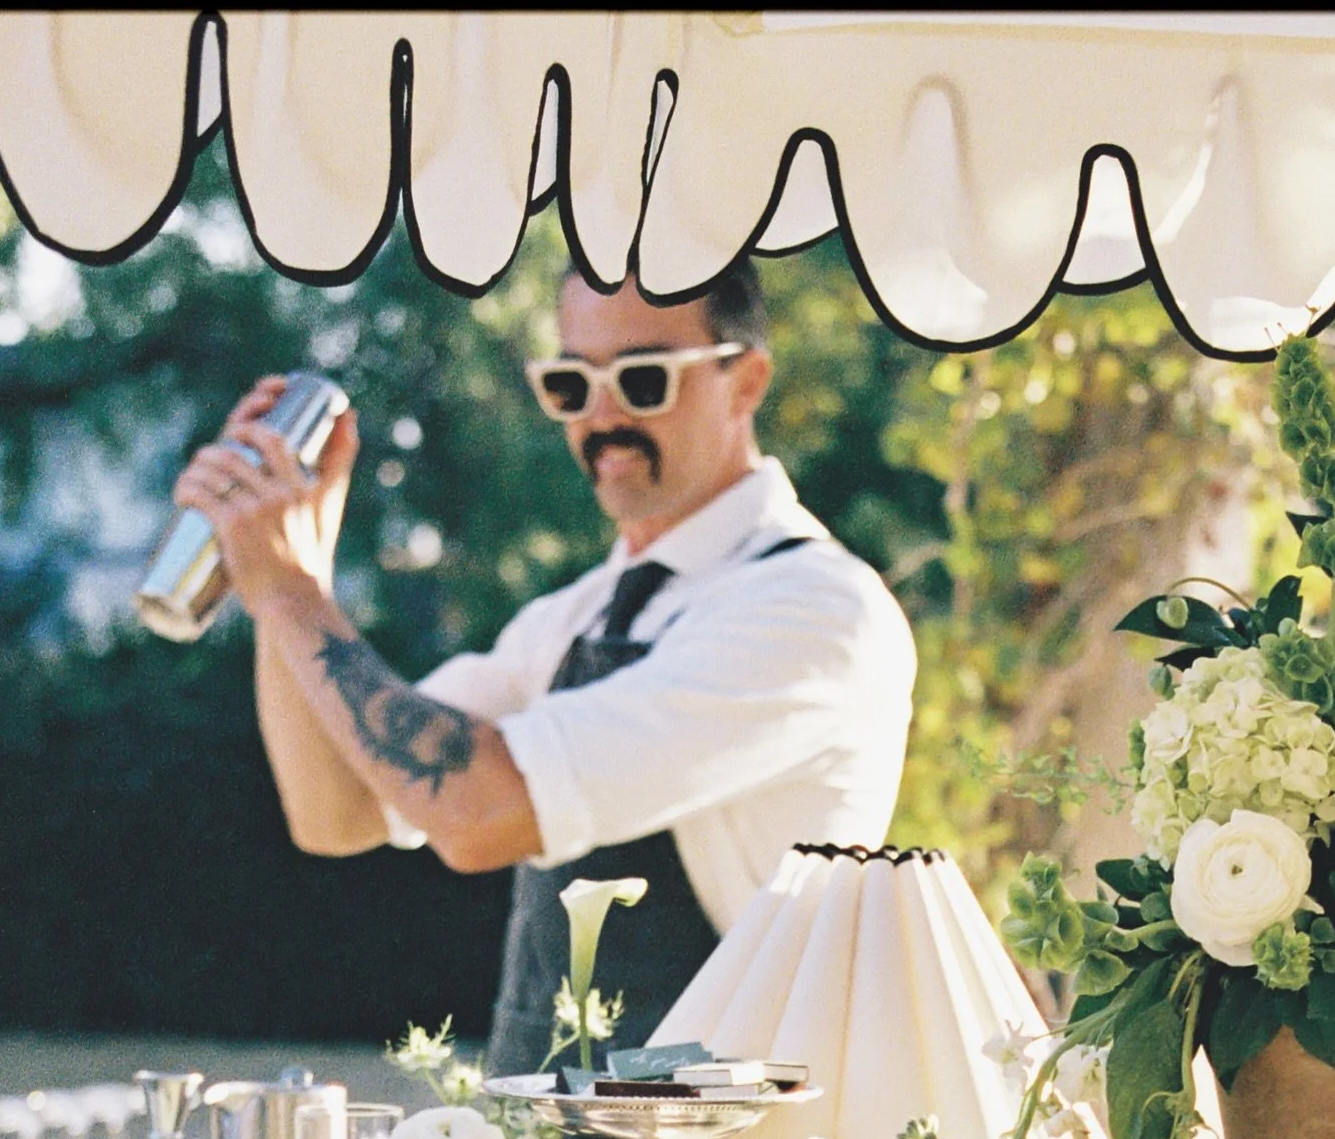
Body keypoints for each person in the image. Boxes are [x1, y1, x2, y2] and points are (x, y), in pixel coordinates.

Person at [175, 257, 918, 1077]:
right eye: (571, 385)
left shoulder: (814, 611)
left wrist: (288, 597)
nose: (602, 419)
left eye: (642, 381)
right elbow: (338, 811)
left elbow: (479, 814)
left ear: (746, 383)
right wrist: (282, 572)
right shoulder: (572, 616)